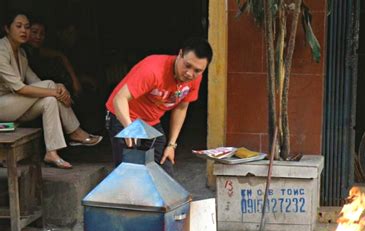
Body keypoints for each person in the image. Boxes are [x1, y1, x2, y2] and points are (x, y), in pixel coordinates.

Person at [0, 12, 102, 169]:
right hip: (3, 106)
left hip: (14, 106)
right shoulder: (1, 50)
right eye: (18, 26)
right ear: (7, 29)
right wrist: (55, 89)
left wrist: (58, 87)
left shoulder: (20, 53)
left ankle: (52, 152)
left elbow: (36, 82)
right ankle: (75, 132)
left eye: (27, 27)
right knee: (51, 91)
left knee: (49, 101)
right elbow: (20, 88)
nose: (24, 31)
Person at [105, 37, 213, 175]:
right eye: (187, 65)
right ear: (180, 55)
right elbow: (119, 98)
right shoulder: (153, 69)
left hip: (151, 122)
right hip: (124, 117)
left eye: (197, 70)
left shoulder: (195, 78)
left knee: (164, 172)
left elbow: (181, 107)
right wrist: (129, 128)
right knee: (130, 175)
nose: (189, 73)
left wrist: (172, 145)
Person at [26, 19, 81, 97]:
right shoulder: (21, 51)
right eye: (34, 32)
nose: (38, 37)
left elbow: (61, 56)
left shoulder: (36, 51)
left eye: (42, 34)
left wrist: (75, 80)